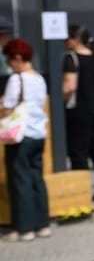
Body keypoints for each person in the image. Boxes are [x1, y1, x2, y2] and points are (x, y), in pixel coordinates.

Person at [2, 38, 52, 241]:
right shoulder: (39, 78)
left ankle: (24, 228)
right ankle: (42, 224)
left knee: (19, 180)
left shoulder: (17, 79)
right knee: (36, 178)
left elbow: (7, 106)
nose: (8, 64)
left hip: (20, 135)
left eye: (9, 60)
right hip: (38, 133)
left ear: (17, 58)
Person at [61, 24, 94, 202]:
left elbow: (70, 86)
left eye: (67, 38)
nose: (64, 41)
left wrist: (58, 99)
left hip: (80, 111)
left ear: (75, 39)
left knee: (78, 152)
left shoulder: (71, 57)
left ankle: (81, 193)